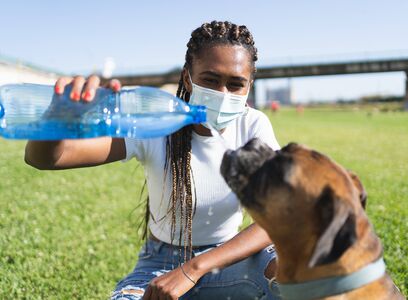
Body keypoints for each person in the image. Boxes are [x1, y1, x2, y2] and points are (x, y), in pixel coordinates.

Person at [25, 20, 281, 300]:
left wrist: (194, 269)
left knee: (295, 268)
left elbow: (278, 217)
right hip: (161, 264)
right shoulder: (156, 124)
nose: (223, 94)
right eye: (210, 80)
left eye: (235, 85)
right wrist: (57, 120)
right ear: (188, 78)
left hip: (227, 258)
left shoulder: (253, 125)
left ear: (249, 87)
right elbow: (48, 158)